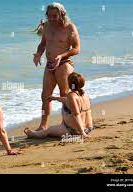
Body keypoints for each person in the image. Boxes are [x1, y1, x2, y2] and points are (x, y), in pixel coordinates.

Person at [33, 2, 81, 131]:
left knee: (64, 95)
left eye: (55, 16)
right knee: (45, 96)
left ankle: (67, 123)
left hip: (64, 64)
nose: (52, 19)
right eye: (49, 16)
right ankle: (43, 125)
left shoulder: (70, 28)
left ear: (62, 14)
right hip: (49, 65)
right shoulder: (47, 26)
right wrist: (38, 54)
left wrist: (62, 55)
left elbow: (76, 49)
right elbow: (43, 44)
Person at [24, 72, 93, 139]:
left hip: (74, 131)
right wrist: (54, 98)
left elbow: (76, 115)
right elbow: (68, 101)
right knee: (65, 103)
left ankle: (34, 134)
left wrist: (82, 133)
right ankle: (76, 130)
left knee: (49, 130)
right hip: (88, 128)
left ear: (69, 84)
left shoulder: (71, 95)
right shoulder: (84, 95)